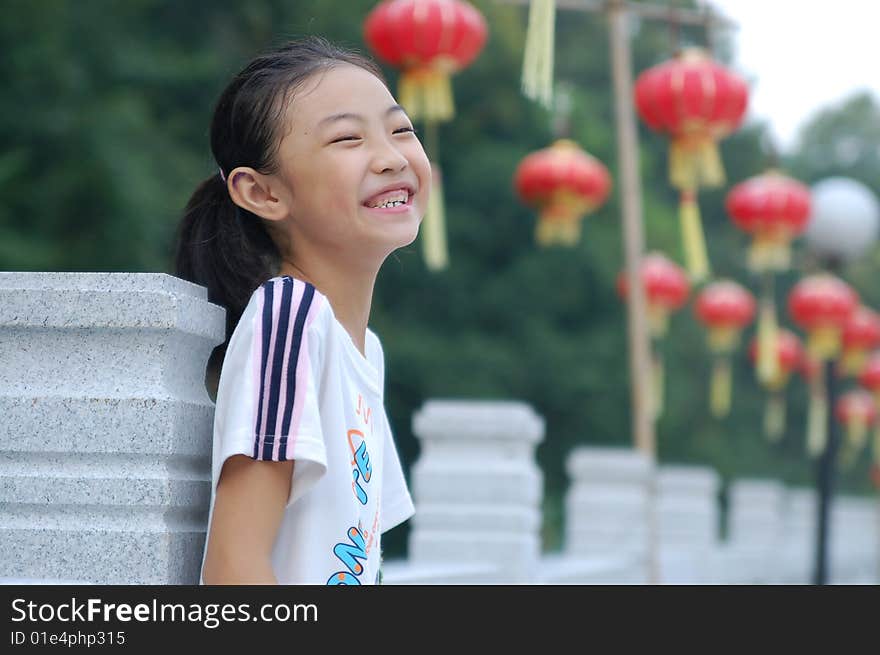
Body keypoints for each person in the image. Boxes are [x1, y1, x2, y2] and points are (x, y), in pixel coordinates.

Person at [174, 36, 428, 584]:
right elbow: (234, 569)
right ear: (262, 193)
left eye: (401, 129)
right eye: (348, 139)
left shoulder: (363, 349)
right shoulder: (288, 320)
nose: (391, 157)